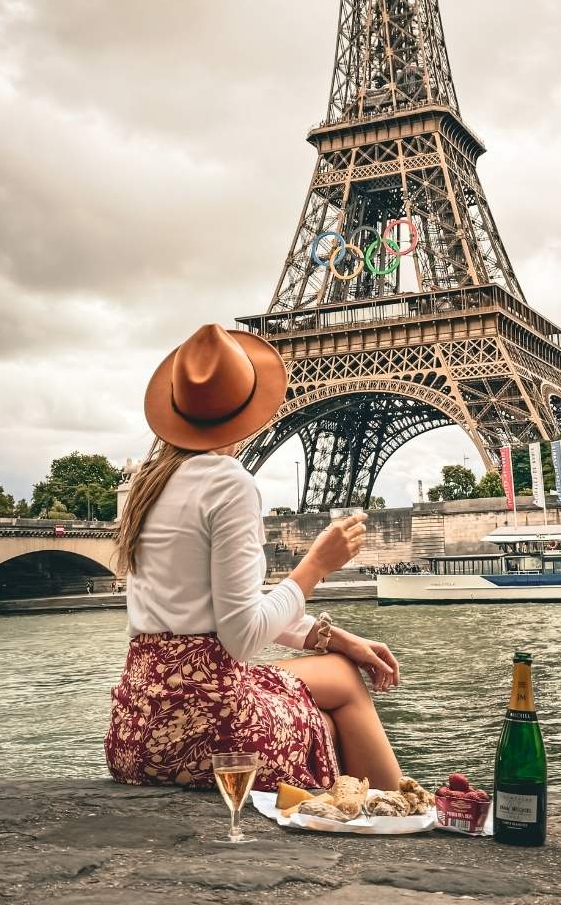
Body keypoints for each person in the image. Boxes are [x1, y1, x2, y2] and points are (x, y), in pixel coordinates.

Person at [104, 322, 402, 792]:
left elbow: (220, 608)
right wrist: (316, 566)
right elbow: (240, 637)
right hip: (207, 726)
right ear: (246, 408)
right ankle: (399, 809)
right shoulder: (228, 482)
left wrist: (336, 637)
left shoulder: (149, 482)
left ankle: (387, 803)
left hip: (137, 725)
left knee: (338, 668)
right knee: (343, 684)